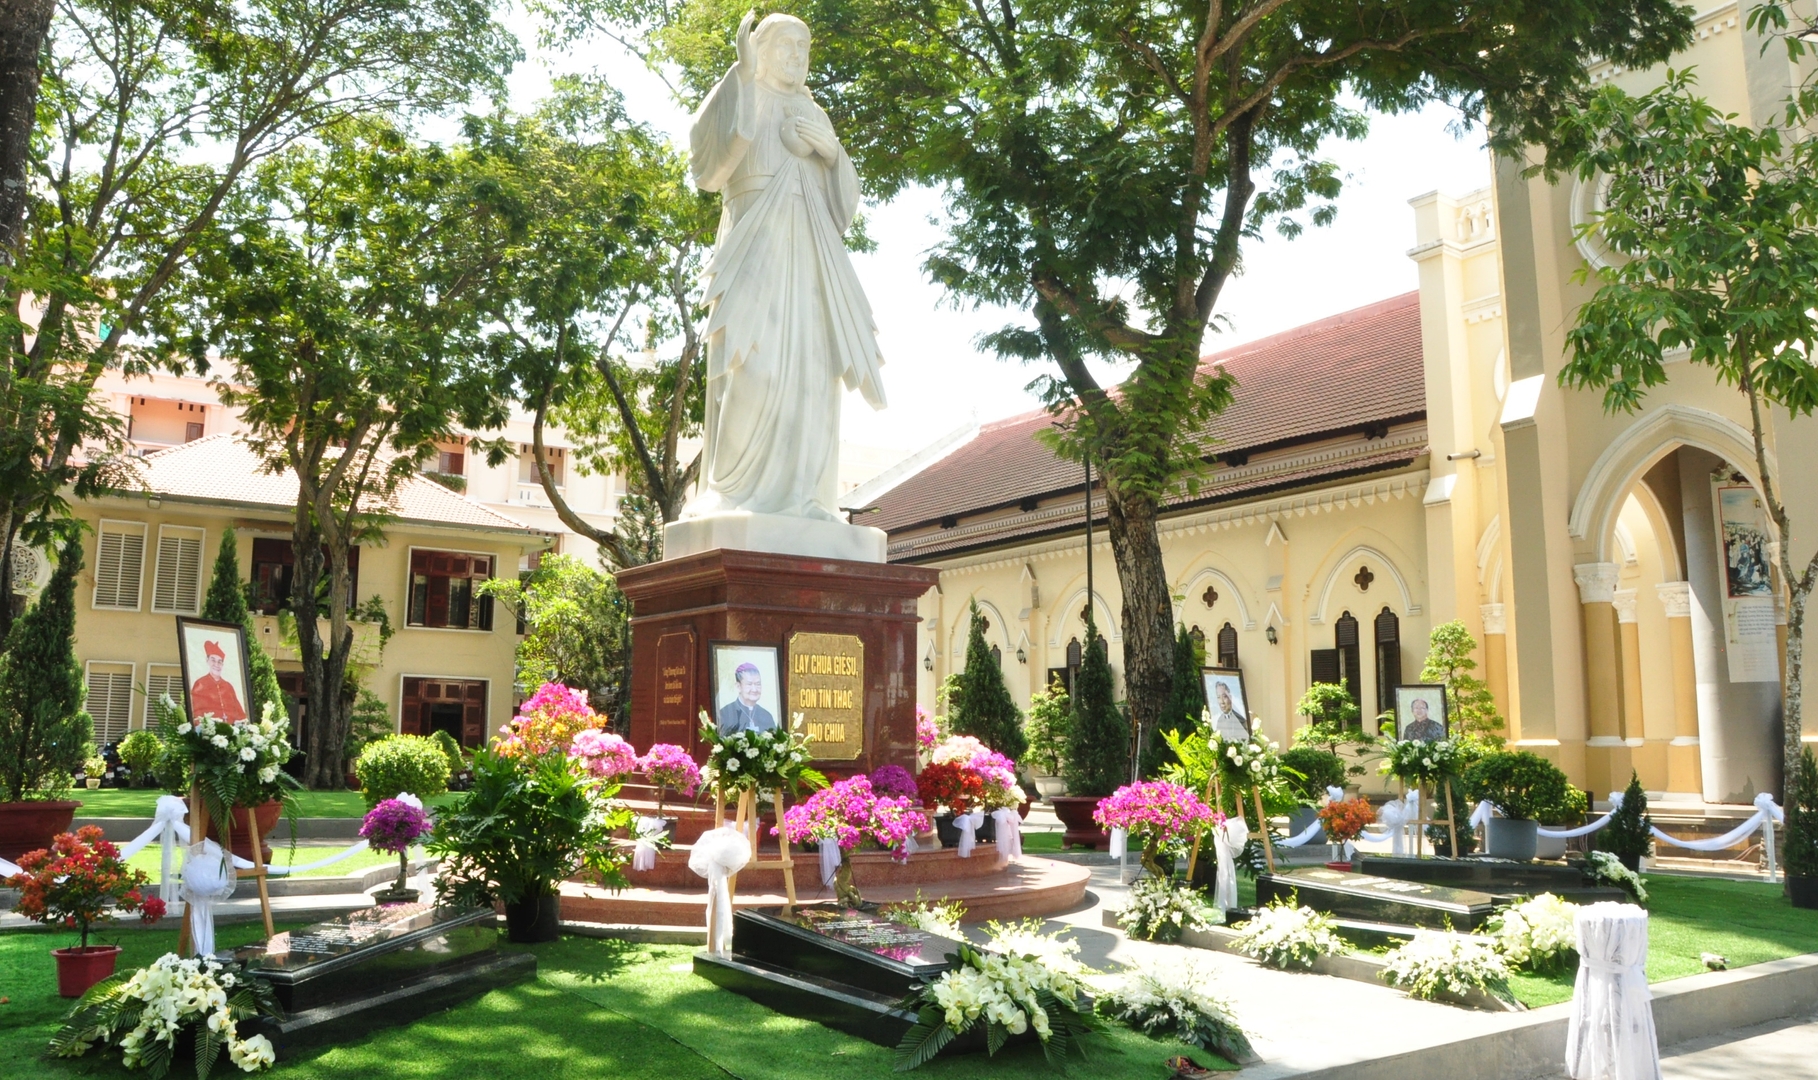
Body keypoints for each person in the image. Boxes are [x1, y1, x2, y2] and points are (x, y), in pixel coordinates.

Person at [685, 12, 886, 521]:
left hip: (812, 253)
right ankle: (728, 489)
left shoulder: (815, 112)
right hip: (756, 245)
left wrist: (833, 153)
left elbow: (843, 210)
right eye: (786, 46)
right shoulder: (742, 89)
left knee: (814, 373)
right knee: (751, 363)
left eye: (804, 48)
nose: (797, 56)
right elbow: (709, 171)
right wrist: (742, 77)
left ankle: (806, 497)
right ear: (762, 49)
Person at [189, 639, 247, 722]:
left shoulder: (228, 686)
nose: (216, 664)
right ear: (207, 660)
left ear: (222, 664)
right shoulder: (200, 684)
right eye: (213, 660)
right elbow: (196, 714)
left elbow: (240, 715)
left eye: (220, 662)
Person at [717, 662, 777, 736]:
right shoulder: (725, 714)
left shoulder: (766, 716)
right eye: (749, 684)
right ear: (738, 687)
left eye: (758, 684)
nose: (754, 689)